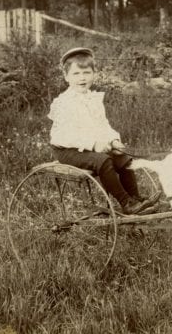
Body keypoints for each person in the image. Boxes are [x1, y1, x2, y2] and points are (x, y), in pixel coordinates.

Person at [49, 47, 157, 216]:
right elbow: (64, 136)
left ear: (94, 74)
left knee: (123, 158)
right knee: (103, 161)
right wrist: (93, 144)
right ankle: (125, 203)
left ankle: (135, 199)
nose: (82, 78)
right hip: (66, 149)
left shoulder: (94, 100)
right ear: (66, 77)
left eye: (86, 73)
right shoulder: (64, 103)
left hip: (87, 147)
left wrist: (113, 140)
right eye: (76, 74)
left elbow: (103, 126)